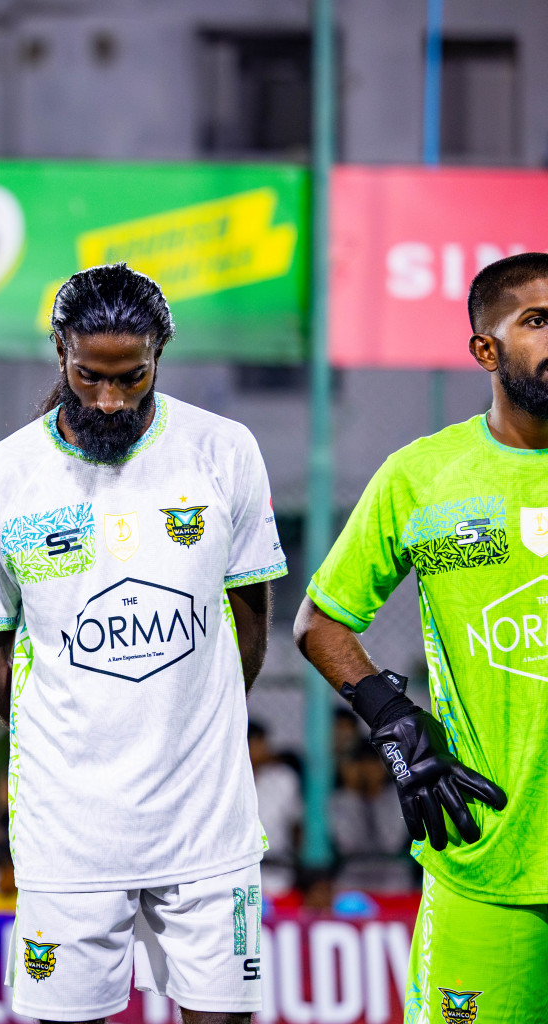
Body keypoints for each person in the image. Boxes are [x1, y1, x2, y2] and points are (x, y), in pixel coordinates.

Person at [0, 264, 284, 1023]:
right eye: (88, 376)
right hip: (68, 827)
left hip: (207, 822)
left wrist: (184, 717)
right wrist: (72, 725)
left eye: (131, 378)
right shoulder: (6, 474)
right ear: (60, 353)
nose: (108, 398)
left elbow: (251, 623)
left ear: (159, 359)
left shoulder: (223, 450)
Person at [295, 251, 548, 1019]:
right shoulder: (422, 477)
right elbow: (320, 621)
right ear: (486, 349)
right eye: (537, 320)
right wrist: (395, 723)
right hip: (488, 858)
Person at [328, 747, 411, 893]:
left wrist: (375, 796)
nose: (368, 771)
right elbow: (347, 844)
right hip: (354, 876)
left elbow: (392, 843)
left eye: (373, 765)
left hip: (391, 877)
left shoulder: (397, 797)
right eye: (362, 765)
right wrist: (355, 796)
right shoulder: (341, 800)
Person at [248, 721, 302, 895]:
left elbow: (298, 826)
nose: (264, 748)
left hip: (278, 874)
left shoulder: (283, 778)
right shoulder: (225, 780)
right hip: (237, 874)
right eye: (257, 742)